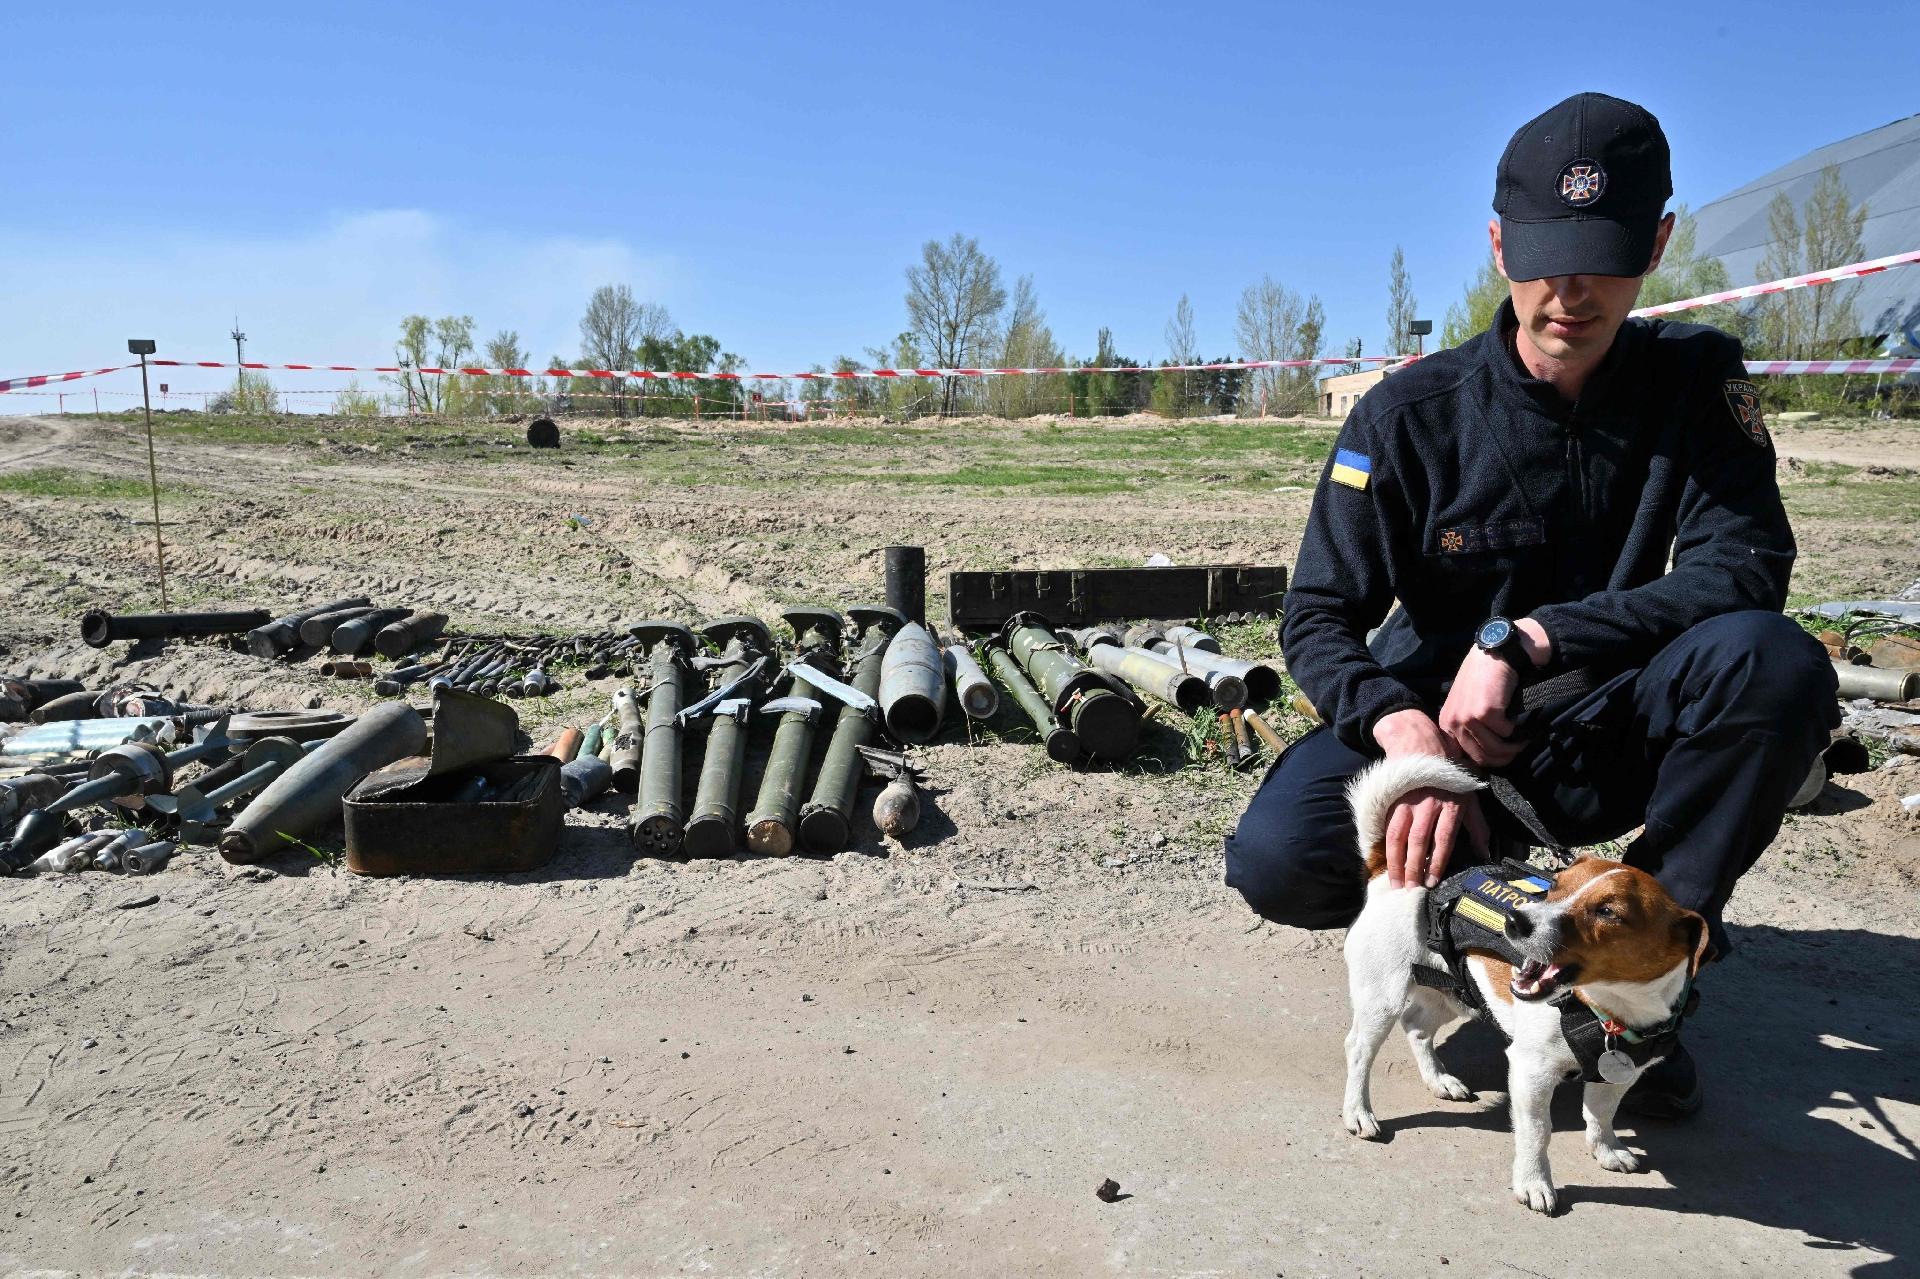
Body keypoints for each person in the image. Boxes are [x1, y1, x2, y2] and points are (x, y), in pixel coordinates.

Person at [1223, 92, 1838, 1116]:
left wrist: (1536, 637)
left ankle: (1630, 993)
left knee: (1775, 663)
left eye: (1605, 254)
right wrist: (1399, 730)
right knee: (1281, 856)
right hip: (1440, 736)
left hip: (1607, 722)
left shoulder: (1698, 384)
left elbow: (1744, 567)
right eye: (1544, 253)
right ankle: (1470, 939)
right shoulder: (1408, 415)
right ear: (1500, 241)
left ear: (1658, 242)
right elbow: (1318, 616)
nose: (1570, 290)